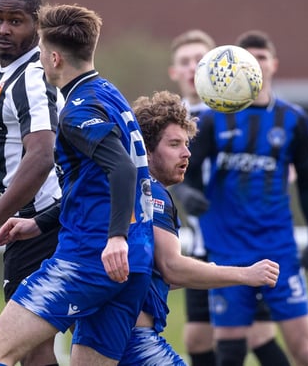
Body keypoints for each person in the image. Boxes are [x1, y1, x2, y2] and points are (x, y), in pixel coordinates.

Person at [0, 3, 155, 366]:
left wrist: (115, 236)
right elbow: (95, 182)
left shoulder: (77, 111)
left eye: (40, 52)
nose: (39, 59)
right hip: (134, 260)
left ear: (55, 58)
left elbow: (121, 168)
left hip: (89, 259)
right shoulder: (110, 94)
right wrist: (40, 223)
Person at [185, 29, 308, 366]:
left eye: (261, 58)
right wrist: (188, 195)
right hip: (228, 249)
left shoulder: (293, 120)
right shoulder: (210, 118)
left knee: (303, 349)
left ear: (272, 64)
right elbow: (188, 173)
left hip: (279, 248)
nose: (256, 64)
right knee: (230, 349)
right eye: (248, 58)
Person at [118, 90, 280, 365]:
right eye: (174, 144)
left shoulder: (130, 187)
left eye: (187, 143)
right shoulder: (151, 195)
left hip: (118, 335)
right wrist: (245, 274)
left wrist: (214, 272)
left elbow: (157, 274)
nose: (187, 153)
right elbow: (172, 267)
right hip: (132, 340)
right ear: (146, 148)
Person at [168, 29, 291, 366]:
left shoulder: (236, 115)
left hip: (237, 239)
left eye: (200, 60)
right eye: (184, 61)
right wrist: (185, 194)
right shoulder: (166, 120)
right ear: (174, 72)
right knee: (197, 336)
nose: (193, 67)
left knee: (253, 334)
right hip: (197, 242)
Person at [0, 0, 62, 366]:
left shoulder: (32, 78)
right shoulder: (13, 73)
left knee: (17, 349)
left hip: (39, 224)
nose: (3, 29)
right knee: (35, 349)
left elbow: (41, 157)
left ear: (37, 26)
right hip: (39, 222)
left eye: (15, 21)